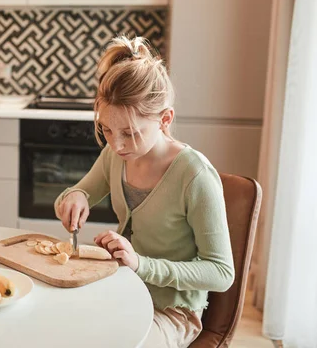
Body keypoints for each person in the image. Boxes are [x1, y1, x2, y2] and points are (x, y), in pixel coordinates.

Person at [54, 36, 234, 348]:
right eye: (107, 130)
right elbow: (82, 190)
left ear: (165, 119)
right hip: (121, 289)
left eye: (129, 133)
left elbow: (221, 272)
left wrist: (141, 264)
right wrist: (73, 197)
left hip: (171, 312)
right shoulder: (116, 153)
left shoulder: (195, 176)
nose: (116, 144)